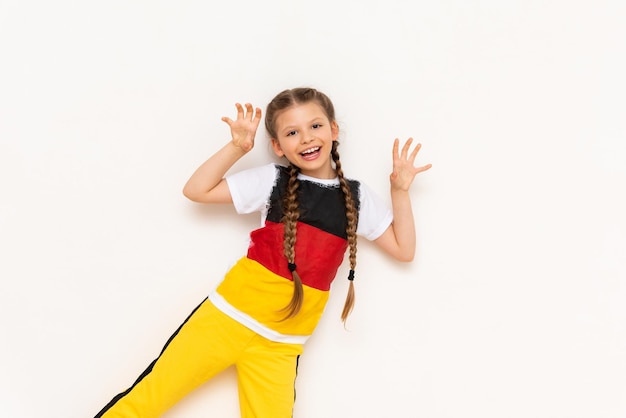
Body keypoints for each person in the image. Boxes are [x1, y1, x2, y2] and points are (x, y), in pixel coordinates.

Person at [94, 87, 432, 418]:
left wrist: (399, 191)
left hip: (280, 346)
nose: (306, 138)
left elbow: (404, 250)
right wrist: (236, 148)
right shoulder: (273, 181)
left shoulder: (357, 198)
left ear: (333, 129)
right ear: (277, 146)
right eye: (292, 132)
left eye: (315, 126)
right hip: (225, 321)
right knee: (147, 401)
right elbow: (196, 190)